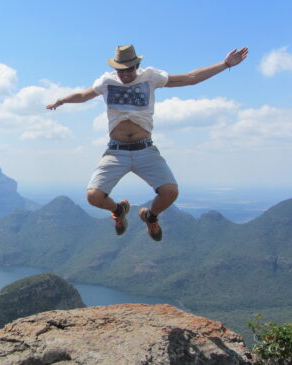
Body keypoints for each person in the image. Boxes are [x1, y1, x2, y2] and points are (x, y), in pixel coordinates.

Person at [46, 45, 248, 241]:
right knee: (93, 196)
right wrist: (61, 101)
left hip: (145, 149)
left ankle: (150, 217)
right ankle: (119, 210)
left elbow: (189, 78)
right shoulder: (106, 81)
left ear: (136, 66)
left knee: (170, 192)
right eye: (120, 71)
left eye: (129, 70)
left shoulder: (151, 77)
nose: (125, 75)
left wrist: (225, 64)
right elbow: (83, 95)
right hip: (116, 151)